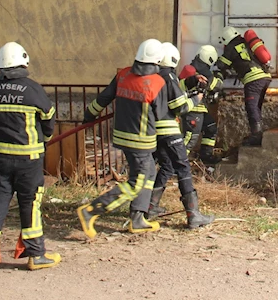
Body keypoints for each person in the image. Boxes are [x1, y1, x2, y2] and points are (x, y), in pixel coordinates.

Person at [0, 42, 60, 273]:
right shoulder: (33, 89)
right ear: (24, 62)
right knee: (30, 204)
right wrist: (46, 136)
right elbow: (48, 117)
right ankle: (35, 255)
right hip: (28, 159)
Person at [76, 39, 168, 238]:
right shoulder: (158, 82)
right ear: (157, 61)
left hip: (122, 137)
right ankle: (91, 211)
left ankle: (138, 218)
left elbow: (103, 98)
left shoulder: (123, 74)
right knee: (137, 182)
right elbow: (161, 114)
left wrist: (89, 115)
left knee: (149, 173)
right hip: (142, 141)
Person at [146, 43, 215, 228]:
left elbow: (175, 87)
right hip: (168, 129)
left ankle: (151, 206)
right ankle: (193, 215)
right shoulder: (168, 75)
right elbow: (180, 106)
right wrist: (196, 99)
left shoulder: (156, 75)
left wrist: (192, 81)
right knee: (182, 166)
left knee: (167, 165)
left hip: (155, 130)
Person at [217, 26, 271, 146]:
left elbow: (222, 64)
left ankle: (256, 137)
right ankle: (258, 133)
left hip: (253, 80)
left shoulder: (230, 47)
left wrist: (218, 61)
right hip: (265, 77)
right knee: (256, 107)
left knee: (251, 107)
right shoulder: (246, 42)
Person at [178, 45, 225, 165]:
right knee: (190, 138)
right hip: (192, 110)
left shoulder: (191, 68)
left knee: (211, 128)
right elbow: (216, 85)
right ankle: (176, 162)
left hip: (200, 109)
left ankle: (206, 155)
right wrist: (219, 75)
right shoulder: (201, 71)